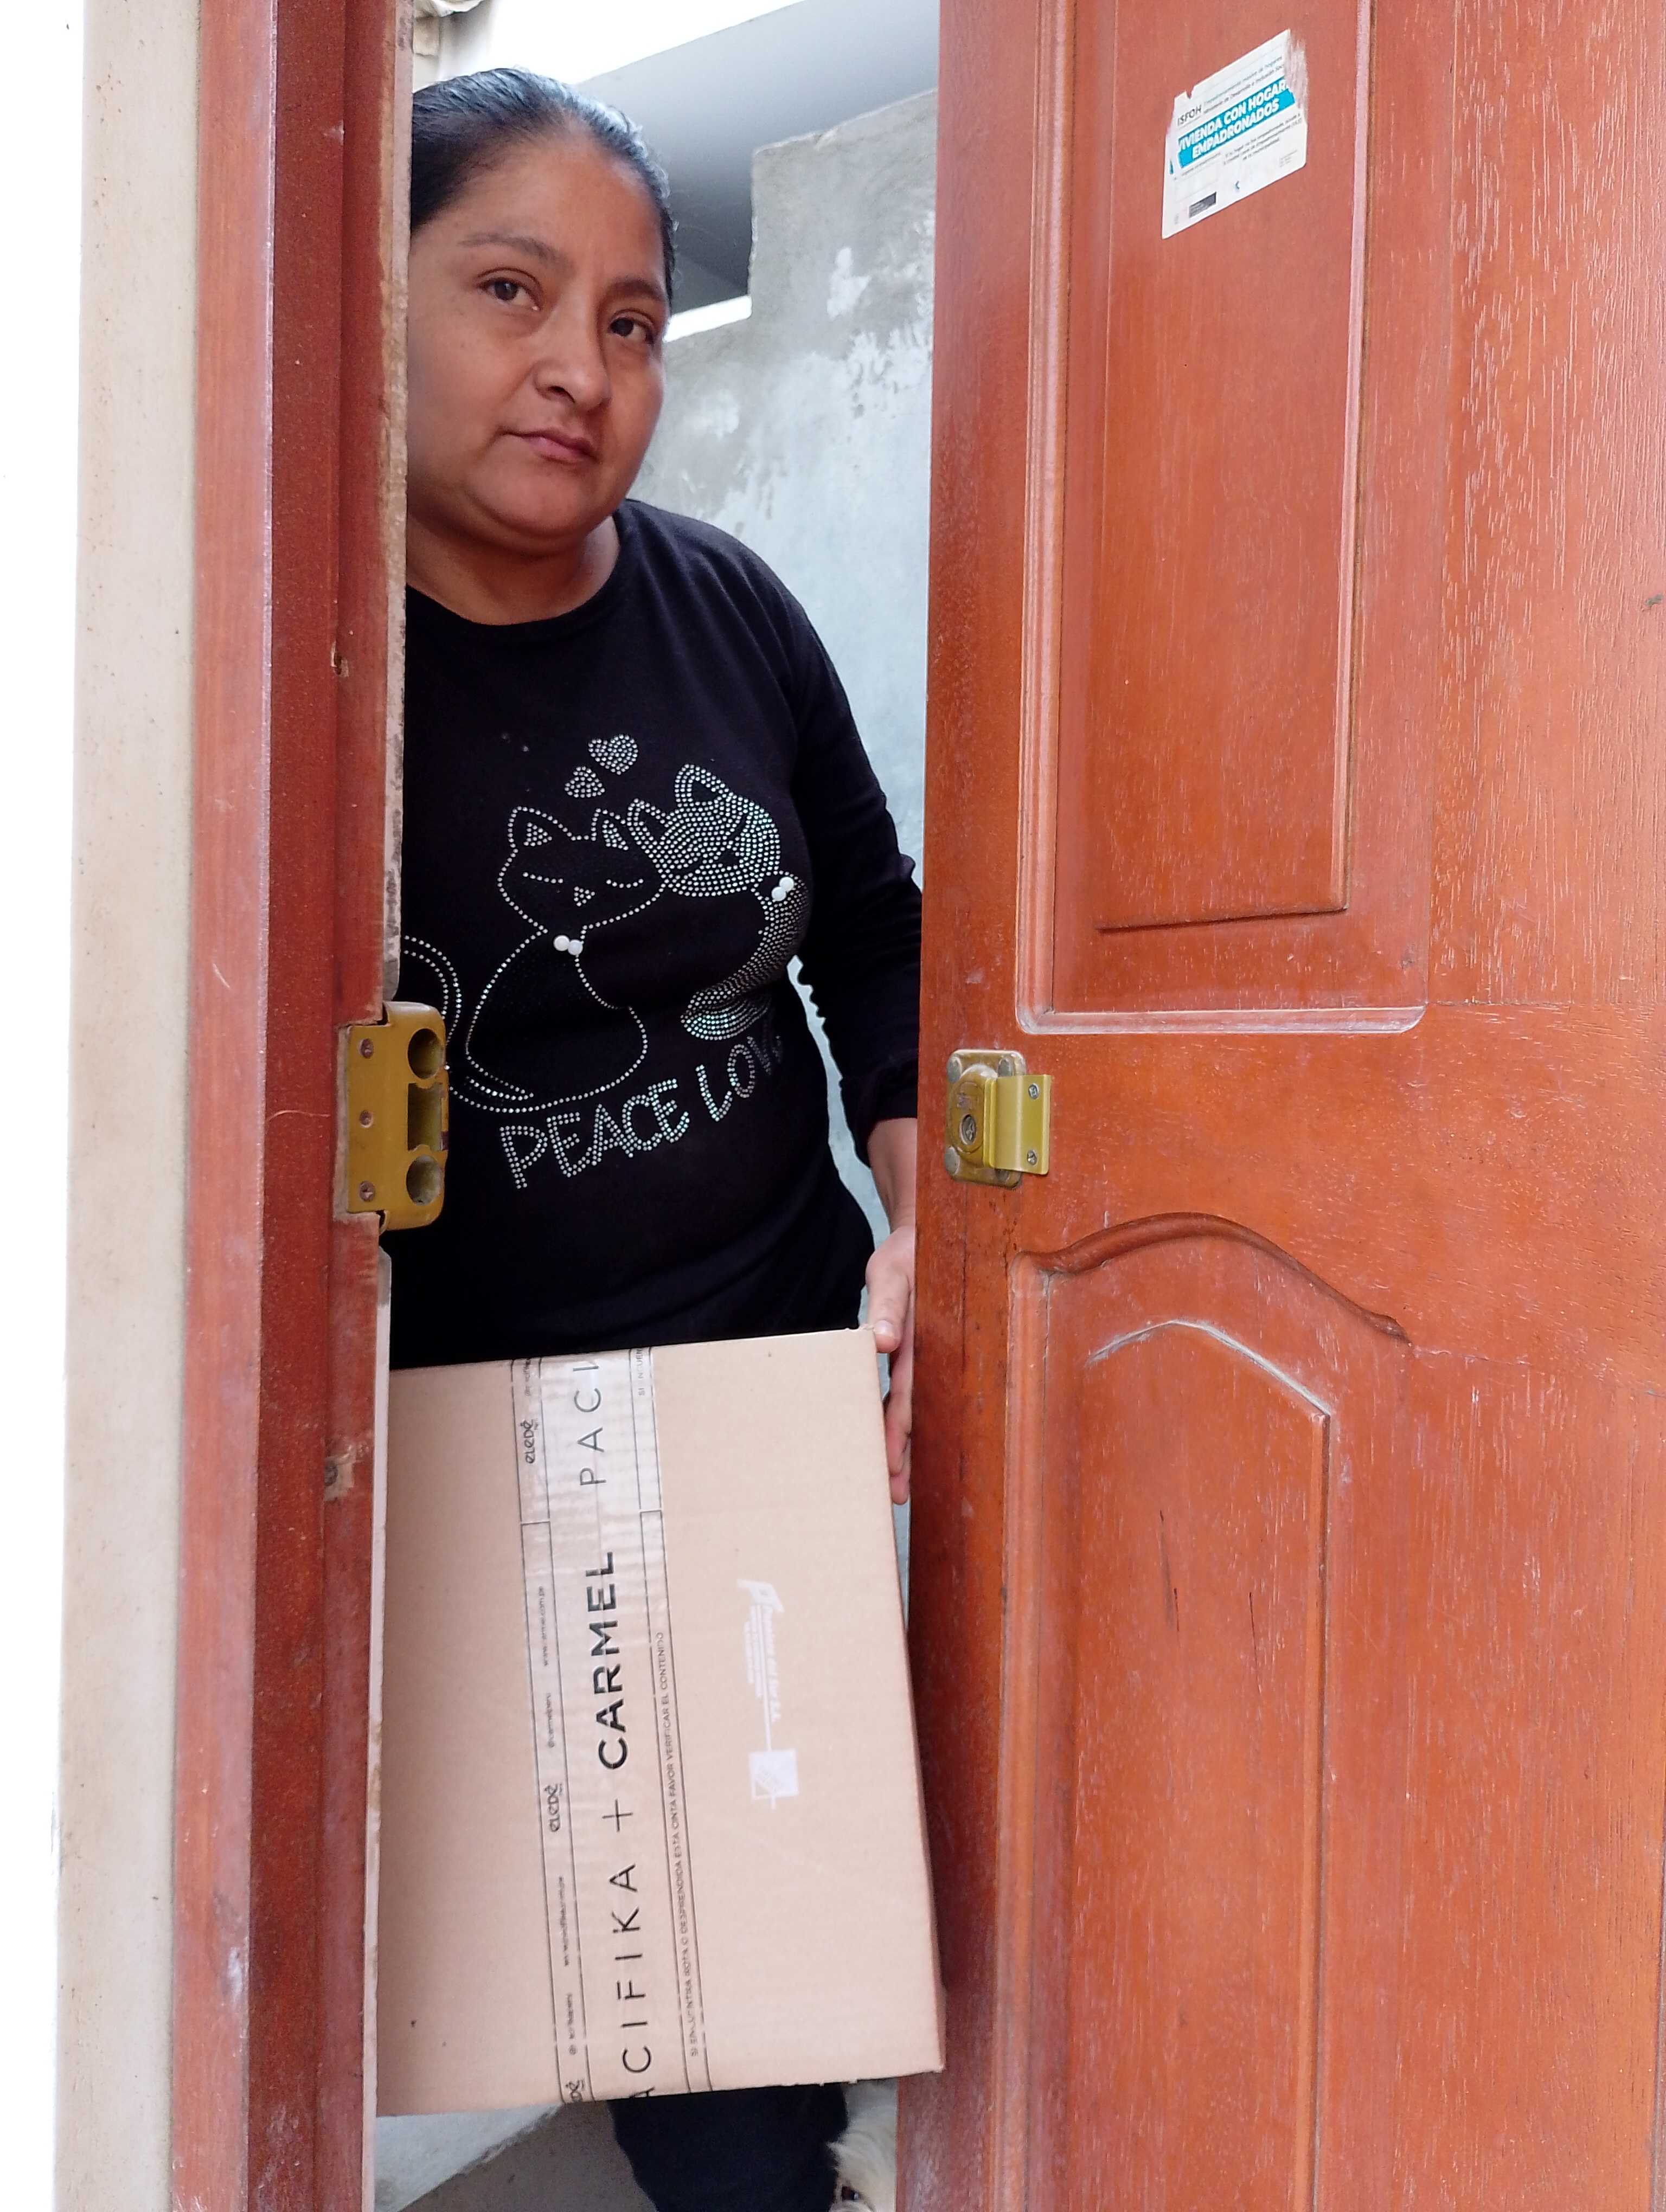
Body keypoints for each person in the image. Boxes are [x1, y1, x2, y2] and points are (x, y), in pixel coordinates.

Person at [387, 67, 922, 2212]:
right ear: (370, 300)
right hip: (502, 1448)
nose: (579, 369)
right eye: (510, 291)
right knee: (655, 1975)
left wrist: (921, 1217)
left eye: (629, 320)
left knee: (806, 1902)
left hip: (783, 1363)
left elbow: (868, 922)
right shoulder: (294, 671)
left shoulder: (727, 604)